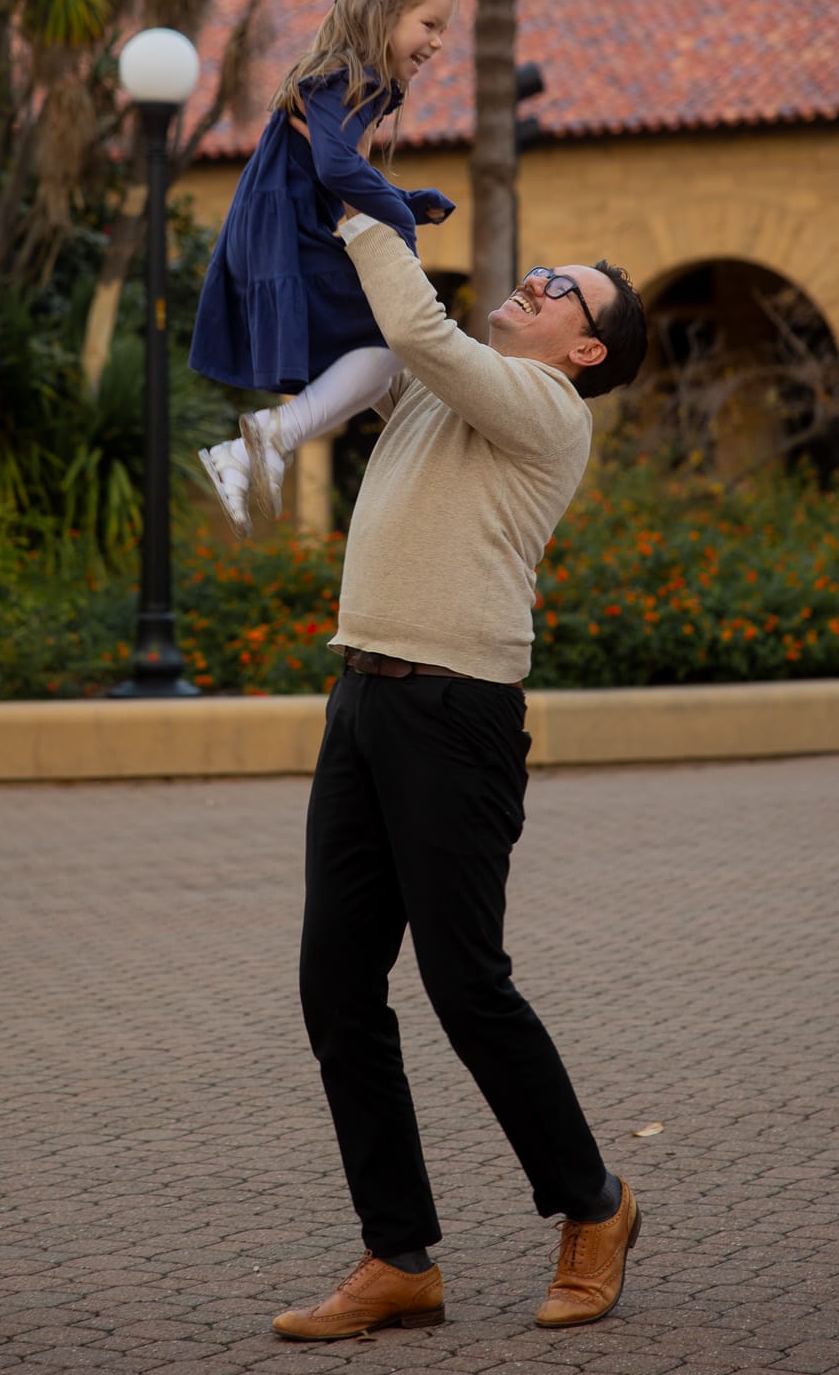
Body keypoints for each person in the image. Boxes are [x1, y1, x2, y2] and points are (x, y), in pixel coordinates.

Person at [270, 221, 649, 1343]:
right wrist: (311, 208)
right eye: (542, 270)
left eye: (562, 289)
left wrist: (365, 209)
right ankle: (398, 1258)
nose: (533, 279)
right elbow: (374, 338)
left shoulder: (546, 408)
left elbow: (414, 325)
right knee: (335, 982)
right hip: (364, 700)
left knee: (464, 980)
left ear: (585, 351)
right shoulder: (450, 391)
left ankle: (596, 1206)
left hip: (458, 713)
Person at [189, 0, 458, 537]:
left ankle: (262, 447)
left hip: (288, 229)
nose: (438, 42)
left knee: (386, 351)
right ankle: (267, 438)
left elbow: (329, 174)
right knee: (392, 339)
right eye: (429, 24)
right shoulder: (343, 78)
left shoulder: (353, 83)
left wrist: (406, 202)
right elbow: (338, 171)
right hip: (284, 235)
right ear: (384, 12)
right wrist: (399, 214)